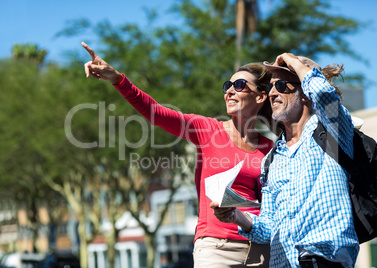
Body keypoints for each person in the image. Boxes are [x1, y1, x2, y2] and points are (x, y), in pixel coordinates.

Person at [81, 42, 276, 267]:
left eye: (239, 85)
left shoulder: (271, 149)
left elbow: (271, 206)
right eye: (227, 85)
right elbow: (157, 113)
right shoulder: (207, 129)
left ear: (261, 97)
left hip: (260, 252)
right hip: (216, 248)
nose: (230, 90)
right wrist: (118, 80)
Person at [211, 53, 360, 267]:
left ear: (306, 94)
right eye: (271, 87)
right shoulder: (272, 160)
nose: (272, 93)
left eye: (281, 85)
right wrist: (236, 216)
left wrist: (296, 63)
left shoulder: (333, 133)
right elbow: (269, 228)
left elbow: (325, 95)